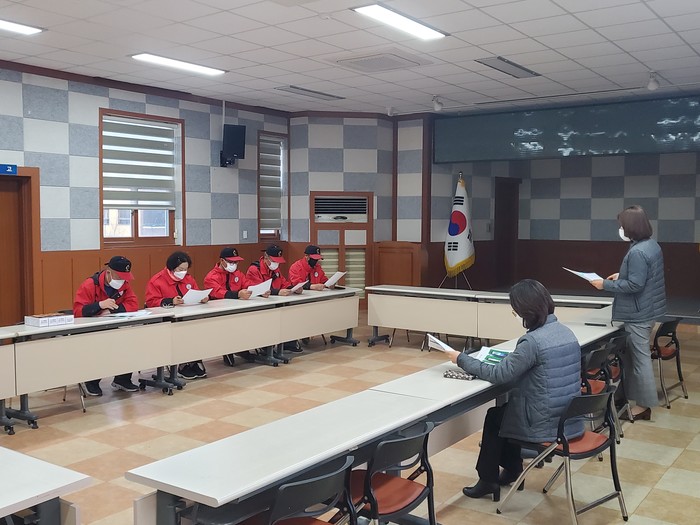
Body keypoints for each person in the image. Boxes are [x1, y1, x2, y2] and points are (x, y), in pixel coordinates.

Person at [443, 279, 584, 502]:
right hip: (570, 419)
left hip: (546, 424)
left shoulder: (532, 341)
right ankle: (512, 470)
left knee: (495, 417)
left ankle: (488, 480)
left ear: (527, 312)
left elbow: (498, 374)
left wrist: (461, 359)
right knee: (507, 412)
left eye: (515, 311)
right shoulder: (566, 332)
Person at [589, 205, 666, 421]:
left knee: (640, 361)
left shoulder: (638, 251)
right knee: (635, 359)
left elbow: (635, 285)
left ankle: (644, 407)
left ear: (631, 227)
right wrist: (621, 274)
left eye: (622, 226)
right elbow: (642, 277)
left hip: (638, 314)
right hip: (648, 309)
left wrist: (604, 284)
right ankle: (631, 399)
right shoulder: (651, 245)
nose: (620, 229)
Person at [73, 255, 140, 396]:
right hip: (91, 331)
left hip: (113, 327)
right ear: (109, 272)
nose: (122, 281)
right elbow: (78, 311)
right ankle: (91, 381)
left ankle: (122, 379)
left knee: (129, 341)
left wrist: (113, 309)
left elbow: (133, 304)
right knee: (99, 347)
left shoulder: (124, 285)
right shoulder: (90, 285)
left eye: (125, 278)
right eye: (119, 277)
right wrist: (99, 305)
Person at [145, 251, 209, 380]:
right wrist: (170, 301)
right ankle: (182, 364)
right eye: (180, 269)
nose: (183, 272)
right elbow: (150, 302)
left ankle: (194, 361)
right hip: (168, 320)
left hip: (188, 316)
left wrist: (203, 297)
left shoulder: (188, 279)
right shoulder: (157, 281)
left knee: (199, 329)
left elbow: (196, 291)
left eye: (186, 269)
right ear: (172, 268)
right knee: (182, 332)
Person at [246, 244, 302, 352]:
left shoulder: (275, 270)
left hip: (274, 303)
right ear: (266, 257)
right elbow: (259, 289)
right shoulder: (254, 269)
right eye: (274, 261)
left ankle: (287, 342)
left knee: (290, 312)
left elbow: (283, 283)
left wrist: (293, 288)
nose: (276, 263)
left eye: (278, 261)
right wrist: (278, 292)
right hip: (259, 306)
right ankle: (266, 347)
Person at [204, 247, 253, 365]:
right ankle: (227, 349)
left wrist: (257, 290)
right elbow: (218, 293)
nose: (234, 265)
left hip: (238, 308)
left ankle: (242, 347)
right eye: (231, 262)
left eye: (236, 262)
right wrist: (238, 294)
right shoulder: (211, 277)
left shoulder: (238, 274)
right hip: (219, 311)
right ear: (222, 261)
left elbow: (247, 284)